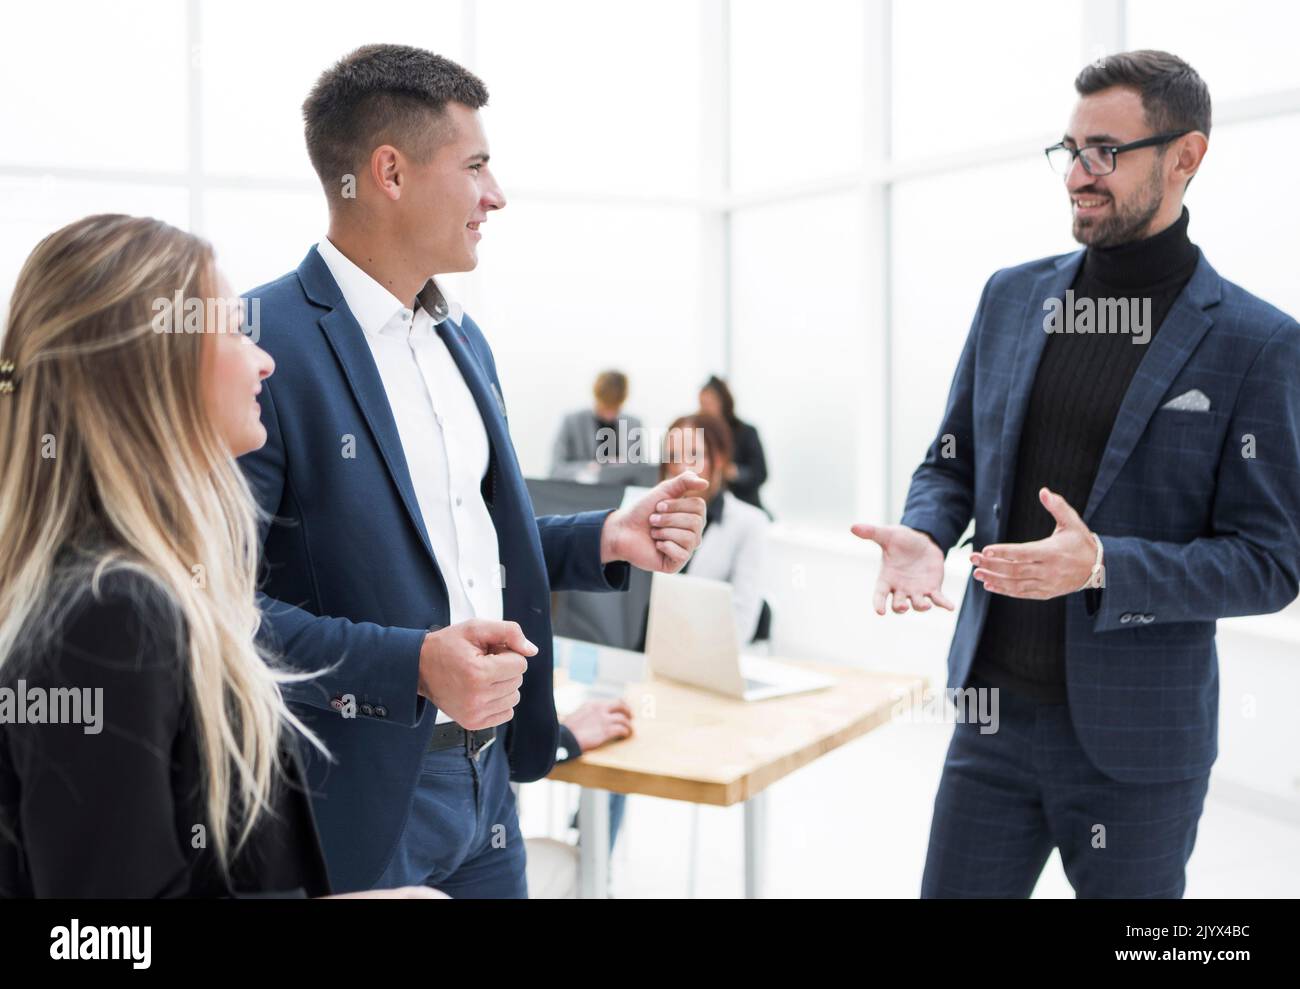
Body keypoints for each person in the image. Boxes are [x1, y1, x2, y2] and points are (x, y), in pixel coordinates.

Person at [240, 44, 707, 898]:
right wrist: (412, 664)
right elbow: (216, 607)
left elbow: (474, 537)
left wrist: (604, 535)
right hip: (342, 804)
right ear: (389, 171)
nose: (496, 194)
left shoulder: (463, 341)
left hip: (488, 788)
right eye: (477, 166)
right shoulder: (258, 345)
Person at [852, 50, 1300, 898]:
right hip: (991, 723)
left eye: (1106, 152)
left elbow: (1273, 561)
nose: (1078, 177)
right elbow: (952, 460)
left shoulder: (1257, 343)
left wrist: (1103, 566)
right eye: (1071, 150)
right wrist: (927, 530)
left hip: (1139, 750)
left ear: (1186, 157)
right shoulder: (1011, 298)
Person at [0, 214, 437, 899]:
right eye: (235, 330)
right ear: (154, 370)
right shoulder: (110, 614)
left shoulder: (131, 584)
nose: (264, 358)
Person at [662, 413, 769, 643]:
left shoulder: (750, 523)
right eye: (672, 456)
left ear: (719, 458)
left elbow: (741, 624)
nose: (681, 468)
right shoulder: (656, 517)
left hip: (710, 658)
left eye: (693, 456)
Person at [551, 369, 643, 482]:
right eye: (605, 407)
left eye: (615, 408)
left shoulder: (633, 424)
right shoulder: (572, 422)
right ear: (596, 397)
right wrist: (587, 468)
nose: (609, 415)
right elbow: (555, 469)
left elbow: (640, 470)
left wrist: (622, 467)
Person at [699, 375, 768, 513]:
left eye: (709, 404)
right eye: (702, 404)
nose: (704, 409)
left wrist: (733, 472)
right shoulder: (699, 435)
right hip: (711, 509)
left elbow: (761, 473)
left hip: (745, 504)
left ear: (723, 403)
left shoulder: (746, 432)